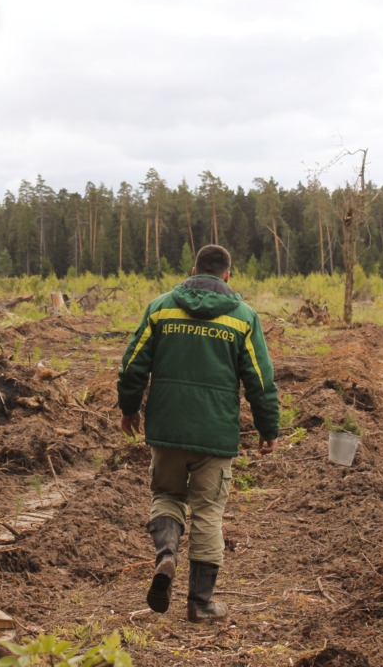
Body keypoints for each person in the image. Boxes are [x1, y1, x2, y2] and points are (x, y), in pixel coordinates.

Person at [117, 244, 278, 623]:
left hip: (167, 428)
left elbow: (133, 363)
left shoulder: (161, 308)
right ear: (227, 275)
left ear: (192, 270)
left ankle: (167, 555)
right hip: (215, 434)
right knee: (208, 511)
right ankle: (200, 603)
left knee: (167, 495)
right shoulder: (243, 317)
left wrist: (128, 408)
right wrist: (268, 427)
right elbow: (260, 379)